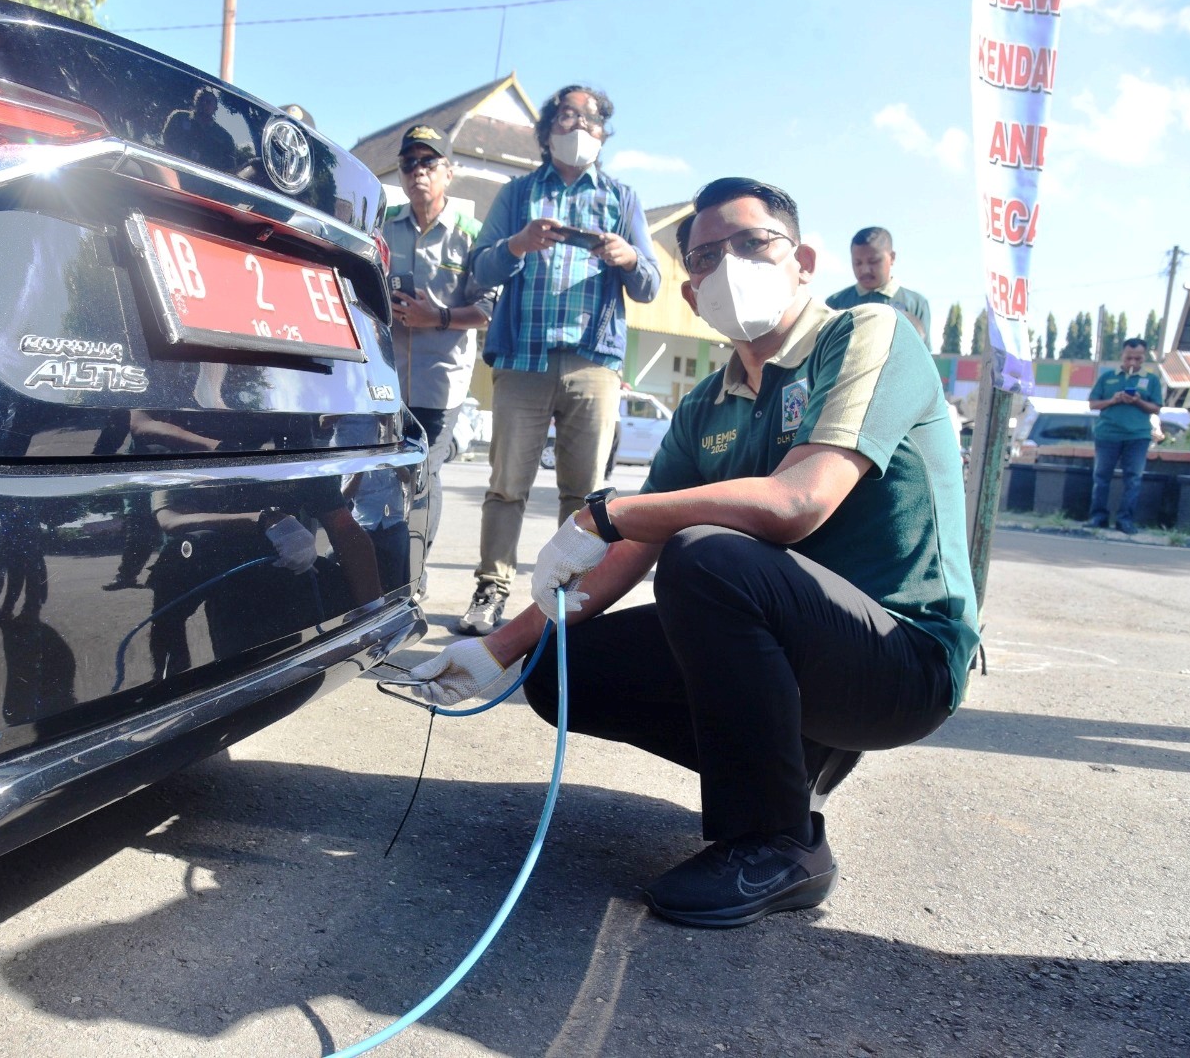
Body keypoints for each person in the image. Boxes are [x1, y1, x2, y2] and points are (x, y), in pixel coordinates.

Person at [408, 177, 979, 929]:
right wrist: (504, 646)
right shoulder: (707, 403)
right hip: (807, 651)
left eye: (752, 243)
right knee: (561, 670)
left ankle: (777, 843)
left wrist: (606, 513)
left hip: (901, 656)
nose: (729, 265)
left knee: (707, 558)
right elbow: (630, 547)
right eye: (707, 256)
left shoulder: (866, 334)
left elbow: (797, 503)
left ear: (802, 258)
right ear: (690, 286)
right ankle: (788, 768)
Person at [456, 85, 661, 635]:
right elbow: (480, 270)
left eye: (592, 118)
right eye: (567, 116)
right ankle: (490, 589)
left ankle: (570, 595)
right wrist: (518, 244)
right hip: (522, 359)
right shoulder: (518, 193)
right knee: (506, 485)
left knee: (584, 493)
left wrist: (630, 257)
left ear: (603, 134)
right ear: (546, 131)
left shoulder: (623, 197)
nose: (579, 126)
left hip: (594, 363)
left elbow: (651, 285)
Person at [381, 125, 495, 567]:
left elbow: (487, 309)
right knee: (389, 476)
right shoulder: (385, 225)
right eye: (408, 164)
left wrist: (439, 317)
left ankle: (413, 569)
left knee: (424, 473)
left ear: (449, 172)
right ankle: (388, 568)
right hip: (389, 378)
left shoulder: (471, 233)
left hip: (440, 380)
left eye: (428, 163)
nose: (417, 173)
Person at [1087, 338, 1162, 534]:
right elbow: (1093, 404)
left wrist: (1138, 401)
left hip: (1138, 435)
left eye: (1138, 359)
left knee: (1133, 478)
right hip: (1108, 433)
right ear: (1122, 355)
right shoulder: (1108, 377)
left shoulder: (1151, 380)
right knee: (1101, 476)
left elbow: (1156, 408)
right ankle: (1098, 517)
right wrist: (1113, 400)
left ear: (1144, 357)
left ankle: (1125, 520)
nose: (1133, 363)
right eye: (1129, 358)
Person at [825, 227, 932, 348]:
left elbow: (923, 355)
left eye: (873, 261)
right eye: (857, 263)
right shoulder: (835, 303)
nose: (865, 269)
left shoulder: (916, 303)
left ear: (892, 257)